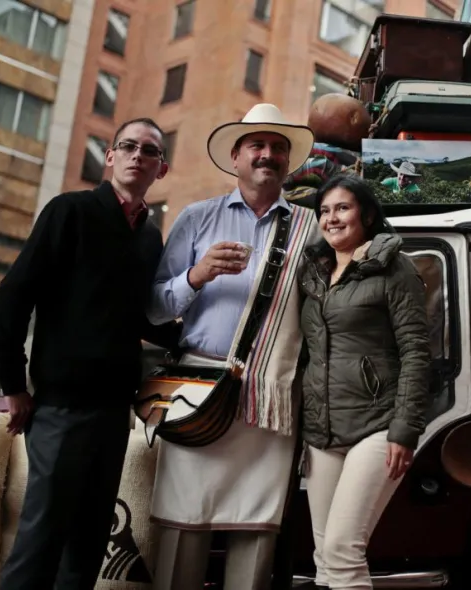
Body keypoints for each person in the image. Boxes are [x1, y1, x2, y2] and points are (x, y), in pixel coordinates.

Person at [0, 117, 182, 590]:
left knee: (88, 546)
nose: (138, 155)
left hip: (116, 412)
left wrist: (201, 336)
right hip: (61, 407)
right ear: (110, 157)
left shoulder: (149, 237)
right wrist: (13, 385)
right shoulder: (69, 212)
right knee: (41, 542)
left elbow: (143, 318)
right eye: (128, 146)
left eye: (150, 151)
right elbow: (11, 298)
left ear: (161, 169)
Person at [146, 103, 319, 590]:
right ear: (235, 157)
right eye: (256, 145)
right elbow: (154, 309)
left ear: (288, 161)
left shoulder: (312, 227)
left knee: (257, 526)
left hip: (272, 391)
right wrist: (197, 275)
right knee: (183, 519)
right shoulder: (197, 217)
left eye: (278, 147)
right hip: (198, 386)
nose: (268, 154)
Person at [297, 174, 431, 589]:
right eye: (324, 211)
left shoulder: (394, 268)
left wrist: (404, 429)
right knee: (325, 557)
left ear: (367, 214)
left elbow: (416, 351)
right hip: (322, 430)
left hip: (377, 426)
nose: (332, 218)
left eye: (343, 208)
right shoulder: (314, 273)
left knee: (342, 550)